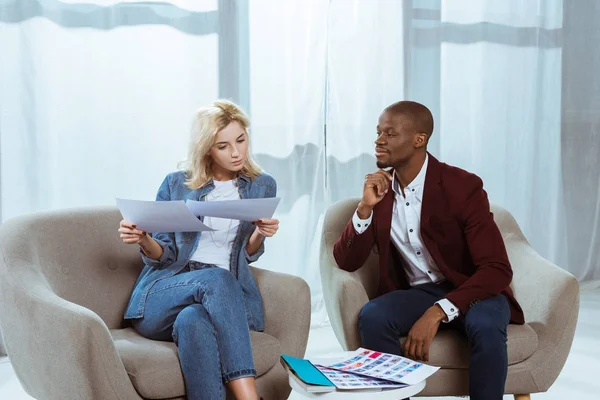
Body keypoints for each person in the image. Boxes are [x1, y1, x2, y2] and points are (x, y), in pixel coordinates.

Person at [333, 101, 524, 400]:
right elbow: (346, 261)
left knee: (486, 326)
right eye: (378, 132)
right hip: (419, 292)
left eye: (390, 133)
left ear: (419, 139)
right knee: (373, 316)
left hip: (474, 289)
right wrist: (365, 208)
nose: (379, 140)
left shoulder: (462, 186)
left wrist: (437, 313)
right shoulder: (380, 192)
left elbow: (497, 268)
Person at [119, 100, 278, 400]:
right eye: (223, 145)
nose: (236, 152)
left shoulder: (262, 185)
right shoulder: (176, 184)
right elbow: (163, 254)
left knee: (193, 321)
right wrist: (142, 238)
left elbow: (247, 253)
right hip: (167, 290)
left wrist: (259, 233)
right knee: (215, 279)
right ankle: (249, 398)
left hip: (227, 293)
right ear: (207, 148)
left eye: (241, 140)